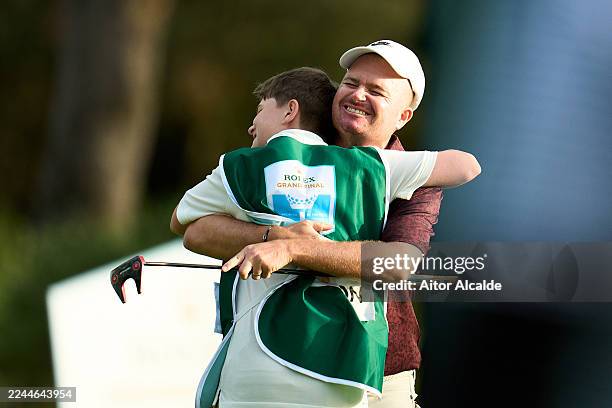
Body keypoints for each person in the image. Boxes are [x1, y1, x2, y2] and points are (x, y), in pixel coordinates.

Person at [171, 60, 479, 407]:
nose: (358, 94)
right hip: (269, 349)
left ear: (403, 116)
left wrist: (296, 250)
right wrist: (274, 236)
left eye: (375, 90)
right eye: (351, 82)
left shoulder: (400, 172)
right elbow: (195, 230)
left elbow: (399, 263)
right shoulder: (277, 153)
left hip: (382, 368)